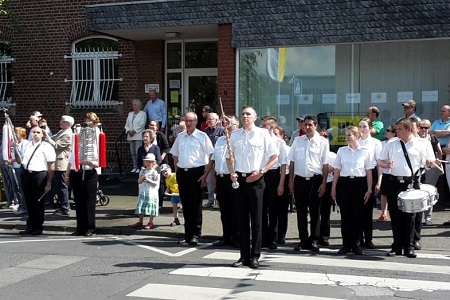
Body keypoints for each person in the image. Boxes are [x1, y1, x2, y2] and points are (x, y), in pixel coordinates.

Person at [378, 118, 436, 258]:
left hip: (411, 183)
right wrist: (386, 165)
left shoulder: (421, 144)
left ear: (409, 130)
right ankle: (397, 246)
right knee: (396, 216)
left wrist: (429, 163)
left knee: (410, 216)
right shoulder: (391, 144)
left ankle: (409, 247)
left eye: (399, 129)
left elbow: (429, 165)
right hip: (394, 182)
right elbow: (380, 160)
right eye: (396, 129)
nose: (396, 132)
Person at [229, 106, 278, 269]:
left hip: (256, 179)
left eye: (248, 114)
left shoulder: (263, 134)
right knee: (241, 220)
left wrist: (262, 171)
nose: (245, 116)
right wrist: (232, 172)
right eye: (243, 114)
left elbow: (274, 156)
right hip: (240, 180)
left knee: (256, 220)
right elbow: (230, 157)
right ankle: (243, 256)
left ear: (255, 117)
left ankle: (255, 255)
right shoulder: (235, 134)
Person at [169, 111, 214, 246]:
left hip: (197, 172)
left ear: (196, 121)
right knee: (186, 205)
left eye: (191, 121)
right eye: (186, 121)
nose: (188, 123)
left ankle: (195, 234)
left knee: (196, 205)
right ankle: (187, 234)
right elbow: (175, 155)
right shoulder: (180, 137)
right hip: (183, 172)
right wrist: (177, 172)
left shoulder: (202, 136)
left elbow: (211, 155)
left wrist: (205, 174)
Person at [288, 115, 329, 252]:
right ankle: (303, 240)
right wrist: (291, 181)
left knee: (315, 212)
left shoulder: (322, 142)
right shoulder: (297, 141)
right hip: (299, 179)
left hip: (315, 179)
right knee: (300, 211)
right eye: (305, 124)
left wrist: (323, 183)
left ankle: (314, 239)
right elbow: (292, 162)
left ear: (316, 126)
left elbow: (325, 164)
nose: (307, 127)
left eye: (310, 124)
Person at [331, 126, 372, 255]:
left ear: (357, 136)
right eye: (346, 135)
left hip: (359, 183)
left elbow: (369, 171)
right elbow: (337, 170)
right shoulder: (341, 151)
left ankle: (356, 244)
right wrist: (333, 188)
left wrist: (369, 189)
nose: (347, 137)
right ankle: (346, 244)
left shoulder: (365, 151)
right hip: (344, 183)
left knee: (357, 215)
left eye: (349, 135)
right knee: (345, 215)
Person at [65, 112, 102, 236]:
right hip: (77, 171)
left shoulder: (94, 145)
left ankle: (90, 227)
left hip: (90, 171)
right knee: (78, 201)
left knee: (89, 201)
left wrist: (89, 162)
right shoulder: (78, 144)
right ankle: (80, 227)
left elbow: (99, 162)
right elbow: (71, 159)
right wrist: (67, 175)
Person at [20, 125, 56, 235]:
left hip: (39, 175)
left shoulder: (46, 146)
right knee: (29, 201)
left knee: (38, 202)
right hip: (27, 174)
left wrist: (49, 182)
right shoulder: (26, 146)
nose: (35, 134)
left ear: (42, 134)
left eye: (37, 132)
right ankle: (30, 226)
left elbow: (51, 165)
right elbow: (20, 159)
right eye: (33, 132)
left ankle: (38, 227)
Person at [211, 115, 240, 248]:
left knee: (236, 209)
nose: (225, 125)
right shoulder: (220, 140)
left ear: (236, 125)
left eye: (228, 122)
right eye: (223, 123)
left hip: (233, 177)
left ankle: (237, 236)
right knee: (224, 210)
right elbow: (215, 160)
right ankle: (226, 236)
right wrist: (213, 176)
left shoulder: (237, 139)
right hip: (221, 178)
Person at [260, 115, 287, 250]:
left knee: (273, 208)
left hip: (273, 175)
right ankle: (262, 237)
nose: (261, 128)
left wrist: (281, 184)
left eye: (264, 125)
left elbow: (283, 165)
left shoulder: (279, 142)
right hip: (260, 174)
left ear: (271, 127)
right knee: (261, 208)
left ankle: (272, 238)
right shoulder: (258, 139)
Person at [358, 117, 383, 249]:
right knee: (357, 208)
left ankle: (368, 239)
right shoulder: (355, 141)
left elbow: (379, 163)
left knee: (367, 210)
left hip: (371, 175)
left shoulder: (376, 143)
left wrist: (379, 181)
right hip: (358, 175)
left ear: (370, 128)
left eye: (364, 126)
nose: (362, 129)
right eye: (360, 127)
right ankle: (358, 238)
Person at [43, 115, 74, 216]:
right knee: (57, 186)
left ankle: (65, 208)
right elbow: (52, 139)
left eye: (62, 121)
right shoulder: (61, 132)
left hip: (61, 163)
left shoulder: (68, 134)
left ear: (68, 124)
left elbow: (57, 146)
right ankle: (61, 206)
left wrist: (47, 137)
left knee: (62, 187)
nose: (60, 122)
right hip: (56, 162)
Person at [418, 119, 442, 226]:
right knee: (418, 192)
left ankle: (428, 217)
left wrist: (438, 164)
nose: (423, 129)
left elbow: (439, 152)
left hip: (432, 168)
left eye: (426, 127)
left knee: (429, 192)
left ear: (429, 128)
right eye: (421, 127)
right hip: (419, 168)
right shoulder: (415, 139)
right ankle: (417, 216)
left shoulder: (432, 138)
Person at [273, 125, 291, 245]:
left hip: (284, 177)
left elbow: (287, 166)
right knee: (273, 209)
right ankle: (273, 234)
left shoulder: (286, 148)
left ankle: (281, 235)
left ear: (282, 136)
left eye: (276, 134)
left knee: (282, 209)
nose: (274, 136)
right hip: (273, 177)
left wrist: (285, 183)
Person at [375, 125, 397, 222]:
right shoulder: (382, 143)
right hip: (385, 171)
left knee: (394, 194)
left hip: (395, 172)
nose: (385, 132)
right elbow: (380, 159)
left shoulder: (398, 143)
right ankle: (384, 213)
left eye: (388, 130)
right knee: (384, 194)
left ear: (394, 133)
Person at [131, 153, 160, 229]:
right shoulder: (142, 171)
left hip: (151, 192)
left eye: (150, 162)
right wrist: (143, 178)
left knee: (151, 206)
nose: (148, 163)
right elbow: (139, 181)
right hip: (143, 191)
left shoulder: (154, 172)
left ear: (153, 163)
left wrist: (148, 180)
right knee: (141, 205)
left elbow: (155, 183)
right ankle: (140, 221)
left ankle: (151, 222)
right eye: (147, 162)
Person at [203, 112, 224, 209]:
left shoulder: (221, 130)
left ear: (216, 121)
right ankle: (211, 200)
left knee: (218, 179)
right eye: (207, 119)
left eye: (210, 119)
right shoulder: (205, 131)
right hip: (209, 157)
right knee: (209, 180)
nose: (208, 121)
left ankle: (219, 201)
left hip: (219, 157)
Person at [148, 120, 170, 208]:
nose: (151, 127)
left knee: (160, 183)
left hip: (161, 161)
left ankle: (159, 203)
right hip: (150, 162)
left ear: (157, 127)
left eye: (153, 125)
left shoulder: (161, 135)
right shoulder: (147, 135)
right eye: (150, 125)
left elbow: (166, 148)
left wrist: (159, 160)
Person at [9, 127, 28, 214]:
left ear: (21, 134)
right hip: (14, 167)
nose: (14, 134)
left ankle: (24, 207)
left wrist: (13, 160)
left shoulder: (25, 143)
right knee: (16, 188)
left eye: (16, 132)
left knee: (21, 188)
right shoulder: (15, 143)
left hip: (20, 168)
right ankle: (20, 204)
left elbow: (23, 156)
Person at [125, 99, 147, 173]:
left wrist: (134, 131)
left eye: (135, 105)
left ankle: (139, 167)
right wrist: (128, 130)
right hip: (130, 136)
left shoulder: (143, 114)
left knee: (138, 152)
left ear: (139, 106)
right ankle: (134, 166)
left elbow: (142, 124)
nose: (133, 106)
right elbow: (127, 124)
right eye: (133, 105)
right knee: (132, 152)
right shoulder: (130, 114)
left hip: (138, 136)